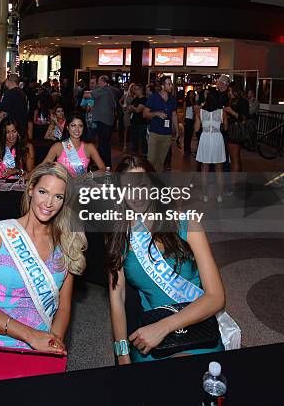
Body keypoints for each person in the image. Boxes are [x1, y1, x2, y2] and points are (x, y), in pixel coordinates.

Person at [0, 162, 87, 385]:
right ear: (30, 190)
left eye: (58, 197)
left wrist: (53, 342)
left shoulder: (68, 243)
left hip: (41, 344)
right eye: (43, 192)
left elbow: (65, 306)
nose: (48, 203)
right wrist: (30, 335)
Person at [106, 155, 225, 364]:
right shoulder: (119, 236)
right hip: (151, 340)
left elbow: (216, 297)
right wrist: (122, 354)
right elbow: (117, 297)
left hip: (197, 329)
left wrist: (164, 327)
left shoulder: (187, 223)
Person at [41, 111, 105, 176]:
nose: (77, 129)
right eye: (73, 125)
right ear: (67, 127)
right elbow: (42, 166)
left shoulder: (89, 147)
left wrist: (89, 175)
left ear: (83, 128)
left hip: (81, 184)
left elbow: (103, 169)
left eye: (80, 126)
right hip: (63, 184)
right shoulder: (58, 147)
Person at [194, 90, 228, 202]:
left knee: (204, 167)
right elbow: (226, 128)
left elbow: (196, 129)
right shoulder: (222, 112)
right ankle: (220, 196)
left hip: (205, 138)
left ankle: (205, 196)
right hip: (217, 138)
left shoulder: (200, 112)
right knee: (219, 168)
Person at [143, 76, 179, 173]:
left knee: (160, 161)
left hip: (167, 134)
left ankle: (156, 182)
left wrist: (177, 131)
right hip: (154, 133)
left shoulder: (172, 99)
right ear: (163, 86)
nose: (171, 86)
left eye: (171, 84)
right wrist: (157, 113)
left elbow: (174, 115)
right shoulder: (153, 97)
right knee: (151, 160)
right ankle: (147, 182)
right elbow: (145, 114)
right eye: (169, 84)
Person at [84, 75, 117, 168]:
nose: (97, 83)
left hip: (103, 121)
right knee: (103, 144)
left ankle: (105, 166)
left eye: (98, 81)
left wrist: (87, 92)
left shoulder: (104, 89)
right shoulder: (111, 90)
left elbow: (87, 95)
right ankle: (103, 164)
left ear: (103, 81)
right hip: (107, 121)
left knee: (103, 145)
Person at [224, 82, 250, 185]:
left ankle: (233, 184)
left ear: (236, 91)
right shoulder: (231, 101)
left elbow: (244, 119)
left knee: (234, 159)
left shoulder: (242, 102)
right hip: (230, 130)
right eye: (228, 91)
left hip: (235, 132)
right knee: (235, 158)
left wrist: (231, 112)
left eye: (230, 91)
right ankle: (235, 182)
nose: (229, 93)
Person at [0, 74, 28, 143]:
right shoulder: (22, 93)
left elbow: (2, 115)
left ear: (8, 81)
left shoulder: (10, 93)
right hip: (19, 129)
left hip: (9, 131)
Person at [129, 84, 148, 157]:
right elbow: (130, 108)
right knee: (134, 140)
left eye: (136, 89)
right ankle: (134, 155)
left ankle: (144, 155)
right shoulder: (135, 99)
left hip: (141, 123)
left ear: (140, 90)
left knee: (143, 140)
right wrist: (132, 107)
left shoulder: (144, 99)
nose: (134, 91)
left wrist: (132, 107)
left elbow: (138, 110)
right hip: (134, 122)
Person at [80, 76, 97, 142]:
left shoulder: (100, 94)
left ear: (97, 84)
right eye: (90, 83)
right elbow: (82, 106)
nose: (91, 85)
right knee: (90, 139)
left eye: (93, 83)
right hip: (88, 121)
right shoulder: (86, 94)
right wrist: (86, 107)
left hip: (98, 121)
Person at [183, 90, 197, 157]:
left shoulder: (194, 102)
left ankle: (188, 148)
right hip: (187, 119)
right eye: (190, 94)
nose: (192, 95)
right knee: (187, 135)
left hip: (192, 119)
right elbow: (184, 111)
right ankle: (186, 149)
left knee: (190, 134)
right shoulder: (186, 102)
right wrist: (183, 120)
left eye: (193, 94)